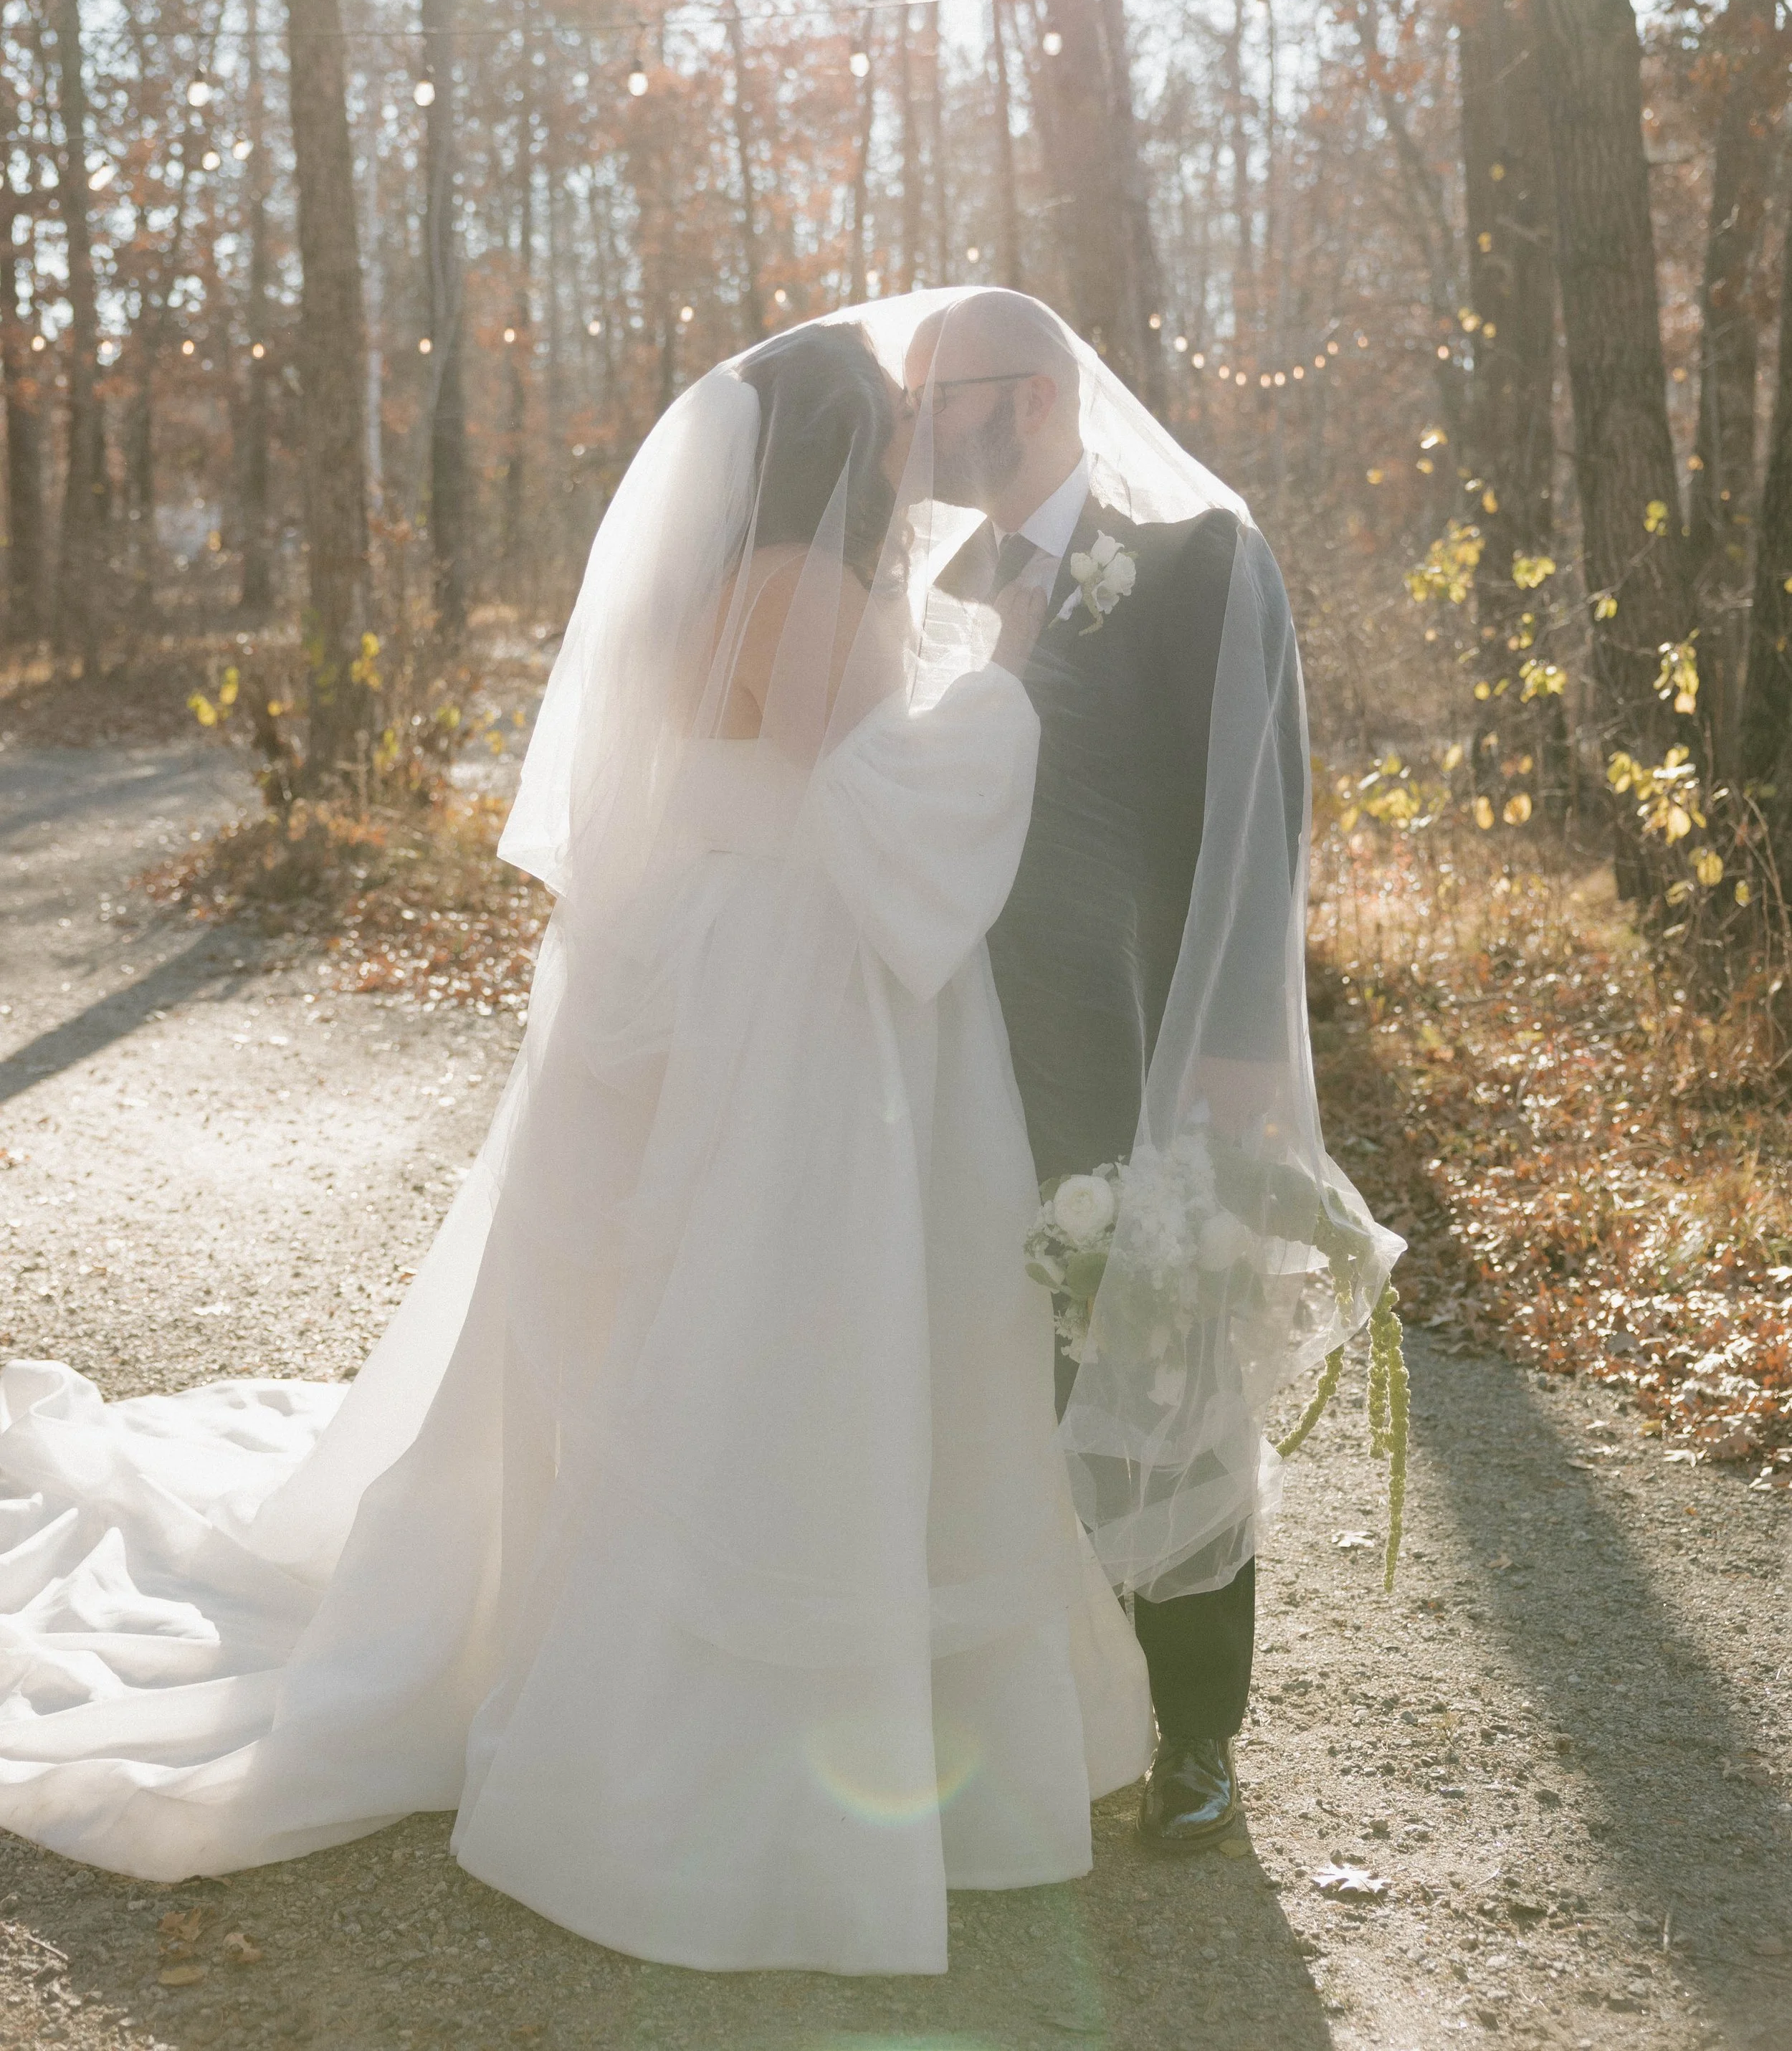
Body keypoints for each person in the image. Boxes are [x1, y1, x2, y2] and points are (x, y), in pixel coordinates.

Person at [0, 315, 1153, 1978]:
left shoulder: (745, 578)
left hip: (720, 951)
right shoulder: (796, 584)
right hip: (793, 983)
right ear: (840, 444)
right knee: (765, 1312)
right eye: (893, 419)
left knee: (667, 1302)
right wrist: (1016, 663)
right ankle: (678, 1709)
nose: (915, 437)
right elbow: (887, 793)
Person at [908, 288, 1395, 1852]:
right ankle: (1052, 1696)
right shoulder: (954, 577)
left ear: (1038, 393)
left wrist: (1239, 1053)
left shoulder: (1195, 554)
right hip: (971, 1044)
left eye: (947, 400)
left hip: (1151, 1035)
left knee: (1165, 1363)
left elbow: (1260, 817)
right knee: (999, 1358)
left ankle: (1196, 1732)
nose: (923, 436)